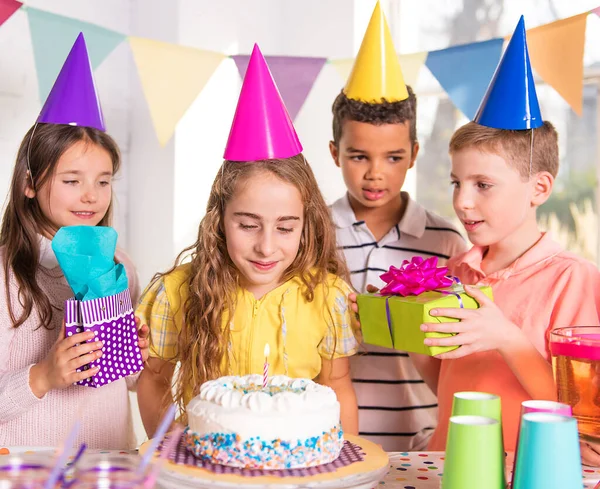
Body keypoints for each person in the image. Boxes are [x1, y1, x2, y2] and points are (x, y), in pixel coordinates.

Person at [136, 45, 360, 438]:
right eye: (248, 225)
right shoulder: (174, 294)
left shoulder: (329, 297)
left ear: (307, 224)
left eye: (286, 228)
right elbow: (154, 381)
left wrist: (347, 463)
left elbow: (337, 386)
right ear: (219, 220)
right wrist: (171, 446)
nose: (267, 247)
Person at [0, 33, 148, 449]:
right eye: (72, 181)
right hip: (23, 470)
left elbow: (129, 383)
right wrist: (43, 375)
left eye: (103, 181)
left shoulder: (120, 266)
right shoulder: (4, 276)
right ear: (30, 183)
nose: (91, 195)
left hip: (107, 461)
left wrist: (137, 353)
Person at [329, 1, 465, 451]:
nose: (375, 174)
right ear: (335, 153)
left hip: (420, 439)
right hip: (328, 437)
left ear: (414, 153)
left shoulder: (444, 240)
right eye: (358, 156)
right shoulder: (311, 234)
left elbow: (455, 348)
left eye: (392, 158)